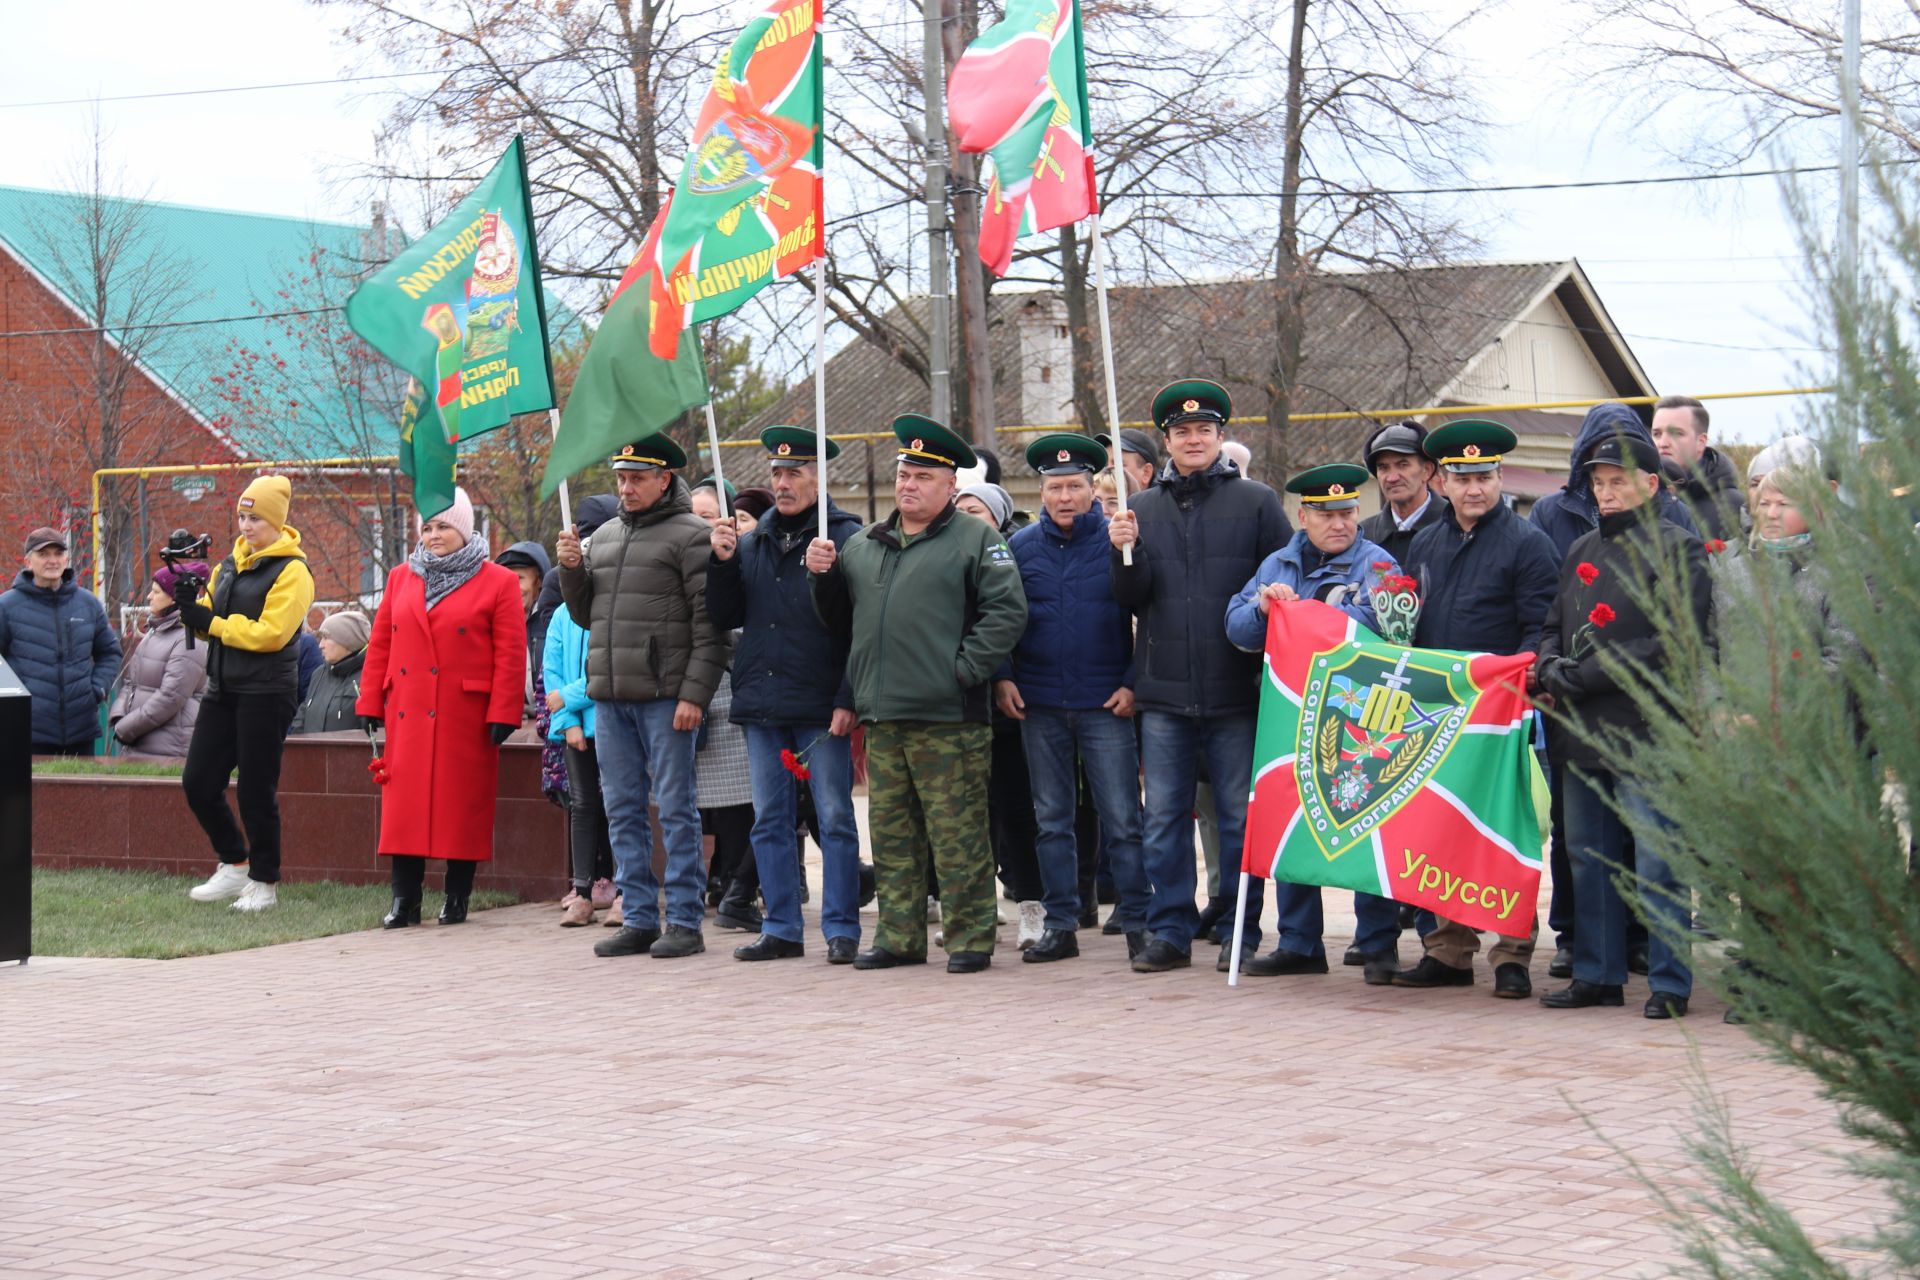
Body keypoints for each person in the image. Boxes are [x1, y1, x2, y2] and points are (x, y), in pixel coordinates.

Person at [807, 414, 1029, 974]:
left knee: (957, 837)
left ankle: (970, 937)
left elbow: (1007, 614)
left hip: (949, 716)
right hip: (882, 716)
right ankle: (899, 936)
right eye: (905, 473)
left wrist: (962, 670)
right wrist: (822, 578)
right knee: (893, 836)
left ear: (950, 485)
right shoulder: (864, 544)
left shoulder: (977, 538)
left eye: (924, 476)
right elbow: (838, 622)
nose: (909, 484)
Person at [1108, 379, 1293, 974]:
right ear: (1167, 440)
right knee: (1162, 818)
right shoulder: (1139, 511)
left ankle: (1241, 927)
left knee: (1240, 818)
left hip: (1236, 690)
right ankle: (1170, 930)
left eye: (1204, 431)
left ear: (1219, 438)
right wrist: (1121, 553)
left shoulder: (1258, 502)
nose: (1194, 440)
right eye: (1182, 432)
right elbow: (1131, 601)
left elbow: (1284, 584)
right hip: (1163, 694)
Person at [1535, 433, 1712, 1017]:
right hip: (1581, 731)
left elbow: (1673, 639)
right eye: (1599, 482)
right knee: (1589, 854)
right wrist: (1546, 663)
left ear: (1650, 484)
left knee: (1656, 859)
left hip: (1645, 729)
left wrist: (1585, 673)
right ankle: (1598, 973)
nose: (1606, 493)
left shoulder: (1681, 549)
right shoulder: (1582, 546)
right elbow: (1552, 621)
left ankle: (1668, 982)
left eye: (1618, 481)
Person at [1391, 421, 1562, 998]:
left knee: (1505, 834)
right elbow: (1413, 623)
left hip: (1503, 716)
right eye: (1463, 478)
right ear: (1441, 481)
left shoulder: (1528, 543)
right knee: (1439, 831)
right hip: (1440, 714)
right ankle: (1448, 950)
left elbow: (1541, 629)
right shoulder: (1427, 543)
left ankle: (1512, 953)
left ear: (1499, 478)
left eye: (1486, 477)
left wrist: (1516, 677)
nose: (1475, 489)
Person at [1224, 463, 1402, 979]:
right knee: (1294, 827)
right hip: (1292, 716)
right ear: (1303, 516)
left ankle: (1377, 944)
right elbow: (1234, 628)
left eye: (1348, 512)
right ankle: (1300, 943)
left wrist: (1312, 614)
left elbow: (1398, 627)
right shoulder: (1276, 564)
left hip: (1360, 721)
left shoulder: (1380, 565)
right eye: (1327, 515)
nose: (1340, 523)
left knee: (1364, 826)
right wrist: (1263, 609)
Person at [558, 434, 730, 961]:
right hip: (611, 697)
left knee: (677, 810)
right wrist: (571, 571)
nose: (626, 488)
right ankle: (637, 915)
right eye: (621, 479)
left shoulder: (692, 535)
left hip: (665, 697)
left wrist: (694, 695)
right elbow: (590, 616)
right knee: (622, 808)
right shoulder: (605, 536)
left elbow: (712, 625)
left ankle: (682, 918)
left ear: (664, 480)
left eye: (637, 479)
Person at [707, 426, 867, 963]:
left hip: (821, 704)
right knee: (769, 820)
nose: (783, 483)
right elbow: (727, 617)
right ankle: (781, 927)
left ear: (821, 478)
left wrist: (848, 696)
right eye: (777, 473)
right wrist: (723, 565)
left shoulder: (847, 538)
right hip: (763, 703)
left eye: (795, 472)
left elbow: (859, 626)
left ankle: (841, 928)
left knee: (834, 816)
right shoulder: (752, 541)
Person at [994, 433, 1152, 964]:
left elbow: (1148, 616)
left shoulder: (1120, 541)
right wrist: (1003, 676)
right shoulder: (1019, 549)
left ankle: (1138, 921)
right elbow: (999, 619)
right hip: (1039, 704)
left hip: (1106, 702)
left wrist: (1134, 682)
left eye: (1075, 486)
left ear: (1093, 490)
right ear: (1041, 492)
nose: (1065, 496)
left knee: (1124, 820)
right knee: (1052, 821)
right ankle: (1062, 924)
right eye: (1055, 487)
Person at [357, 489, 525, 928]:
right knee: (404, 810)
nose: (434, 535)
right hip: (408, 710)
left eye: (444, 526)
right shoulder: (400, 577)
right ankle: (404, 900)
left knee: (461, 807)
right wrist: (370, 699)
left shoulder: (499, 581)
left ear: (465, 528)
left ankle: (457, 896)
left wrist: (504, 710)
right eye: (427, 527)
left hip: (464, 713)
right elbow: (381, 643)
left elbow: (510, 651)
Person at [177, 476, 316, 911]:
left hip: (267, 691)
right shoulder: (229, 564)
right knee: (198, 782)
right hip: (224, 687)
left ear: (276, 521)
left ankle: (264, 880)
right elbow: (214, 622)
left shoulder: (294, 570)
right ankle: (235, 863)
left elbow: (271, 634)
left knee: (257, 789)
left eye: (255, 517)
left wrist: (213, 623)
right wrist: (191, 612)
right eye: (242, 515)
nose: (246, 524)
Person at [960, 480, 1045, 945]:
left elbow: (1012, 624)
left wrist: (999, 675)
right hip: (956, 701)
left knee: (1016, 810)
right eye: (963, 511)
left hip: (1004, 701)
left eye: (979, 512)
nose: (970, 520)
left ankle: (1032, 905)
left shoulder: (1008, 560)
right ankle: (976, 908)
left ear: (998, 520)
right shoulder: (945, 556)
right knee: (967, 813)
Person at [687, 483, 761, 935]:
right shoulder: (681, 555)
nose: (702, 522)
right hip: (693, 689)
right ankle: (713, 882)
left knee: (737, 803)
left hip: (732, 687)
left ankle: (736, 883)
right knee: (696, 803)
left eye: (710, 513)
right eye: (693, 513)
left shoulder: (745, 556)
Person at [544, 494, 621, 927]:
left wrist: (569, 702)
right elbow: (551, 673)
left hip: (609, 720)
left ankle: (626, 887)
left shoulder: (612, 608)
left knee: (620, 805)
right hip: (576, 731)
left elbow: (608, 668)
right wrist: (568, 722)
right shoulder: (560, 617)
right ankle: (583, 889)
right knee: (583, 806)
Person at [0, 528, 122, 756]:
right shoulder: (6, 606)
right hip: (28, 732)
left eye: (58, 553)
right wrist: (12, 704)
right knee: (27, 793)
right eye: (44, 554)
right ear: (28, 561)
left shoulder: (88, 603)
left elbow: (110, 652)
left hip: (80, 730)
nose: (52, 560)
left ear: (67, 558)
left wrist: (97, 689)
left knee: (81, 792)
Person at [107, 560, 209, 759]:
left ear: (173, 598)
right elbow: (130, 683)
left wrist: (127, 728)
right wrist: (119, 717)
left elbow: (170, 697)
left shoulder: (188, 640)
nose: (149, 596)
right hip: (140, 744)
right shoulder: (155, 633)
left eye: (156, 592)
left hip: (169, 751)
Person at [1650, 394, 1746, 541]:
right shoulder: (1634, 498)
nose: (1662, 443)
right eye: (1657, 434)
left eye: (1675, 433)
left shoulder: (1734, 507)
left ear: (1701, 442)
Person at [1358, 420, 1449, 565]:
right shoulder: (1364, 536)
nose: (1392, 477)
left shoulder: (1455, 526)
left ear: (1427, 471)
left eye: (1403, 465)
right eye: (1383, 468)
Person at [288, 610, 371, 735]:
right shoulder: (319, 674)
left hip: (350, 754)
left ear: (347, 640)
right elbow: (301, 717)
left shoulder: (369, 679)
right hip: (312, 754)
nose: (321, 645)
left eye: (326, 638)